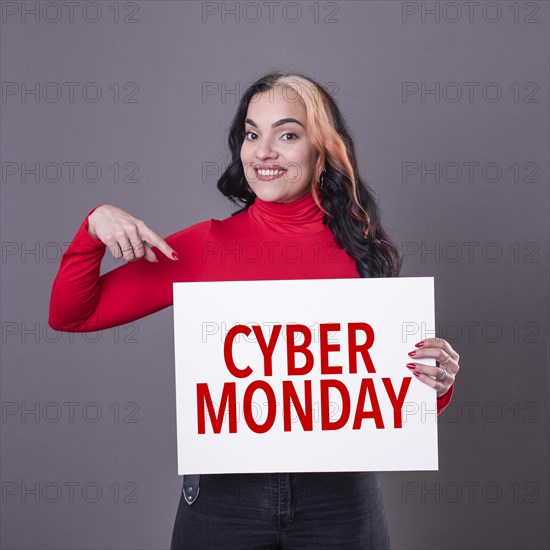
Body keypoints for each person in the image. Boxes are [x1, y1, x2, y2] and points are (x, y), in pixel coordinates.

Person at [49, 71, 460, 549]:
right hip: (227, 499)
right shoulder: (206, 247)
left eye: (287, 134)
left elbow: (385, 395)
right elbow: (72, 314)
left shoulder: (361, 249)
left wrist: (437, 383)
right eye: (251, 134)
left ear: (321, 149)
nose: (263, 151)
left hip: (339, 498)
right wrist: (92, 226)